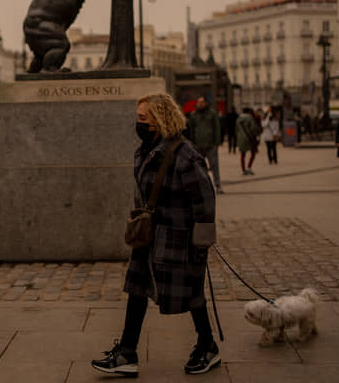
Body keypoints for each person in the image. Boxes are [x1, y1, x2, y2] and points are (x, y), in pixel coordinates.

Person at [91, 93, 219, 377]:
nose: (138, 123)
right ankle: (127, 352)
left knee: (192, 294)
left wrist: (200, 247)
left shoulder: (185, 155)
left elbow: (205, 202)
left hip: (178, 240)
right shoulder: (148, 149)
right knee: (136, 289)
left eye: (142, 118)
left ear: (159, 120)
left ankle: (207, 345)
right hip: (149, 236)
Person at [185, 96, 224, 194]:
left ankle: (218, 185)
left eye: (202, 102)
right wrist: (192, 144)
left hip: (211, 145)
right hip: (198, 146)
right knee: (199, 168)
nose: (200, 104)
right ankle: (201, 187)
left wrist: (217, 143)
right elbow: (191, 130)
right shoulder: (194, 115)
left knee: (214, 166)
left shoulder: (212, 113)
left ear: (206, 103)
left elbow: (217, 128)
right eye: (198, 102)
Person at [236, 107, 260, 175]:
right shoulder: (250, 118)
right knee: (253, 153)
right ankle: (249, 167)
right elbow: (253, 128)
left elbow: (236, 129)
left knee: (243, 154)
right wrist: (256, 134)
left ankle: (243, 170)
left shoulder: (238, 119)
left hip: (241, 138)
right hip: (250, 138)